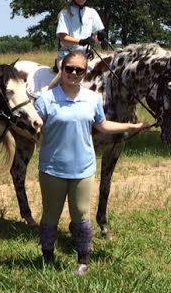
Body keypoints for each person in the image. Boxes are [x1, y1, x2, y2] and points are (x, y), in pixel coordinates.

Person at [35, 51, 149, 274]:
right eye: (69, 69)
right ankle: (47, 259)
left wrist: (131, 127)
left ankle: (83, 261)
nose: (74, 73)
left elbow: (103, 126)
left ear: (85, 73)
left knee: (81, 215)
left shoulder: (92, 98)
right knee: (50, 215)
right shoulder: (46, 99)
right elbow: (34, 125)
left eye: (79, 70)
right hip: (52, 169)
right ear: (62, 70)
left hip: (83, 169)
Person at [55, 0, 106, 67]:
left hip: (86, 57)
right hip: (67, 56)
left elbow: (94, 38)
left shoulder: (92, 12)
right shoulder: (65, 13)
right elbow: (63, 38)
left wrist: (99, 37)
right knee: (71, 74)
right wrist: (81, 41)